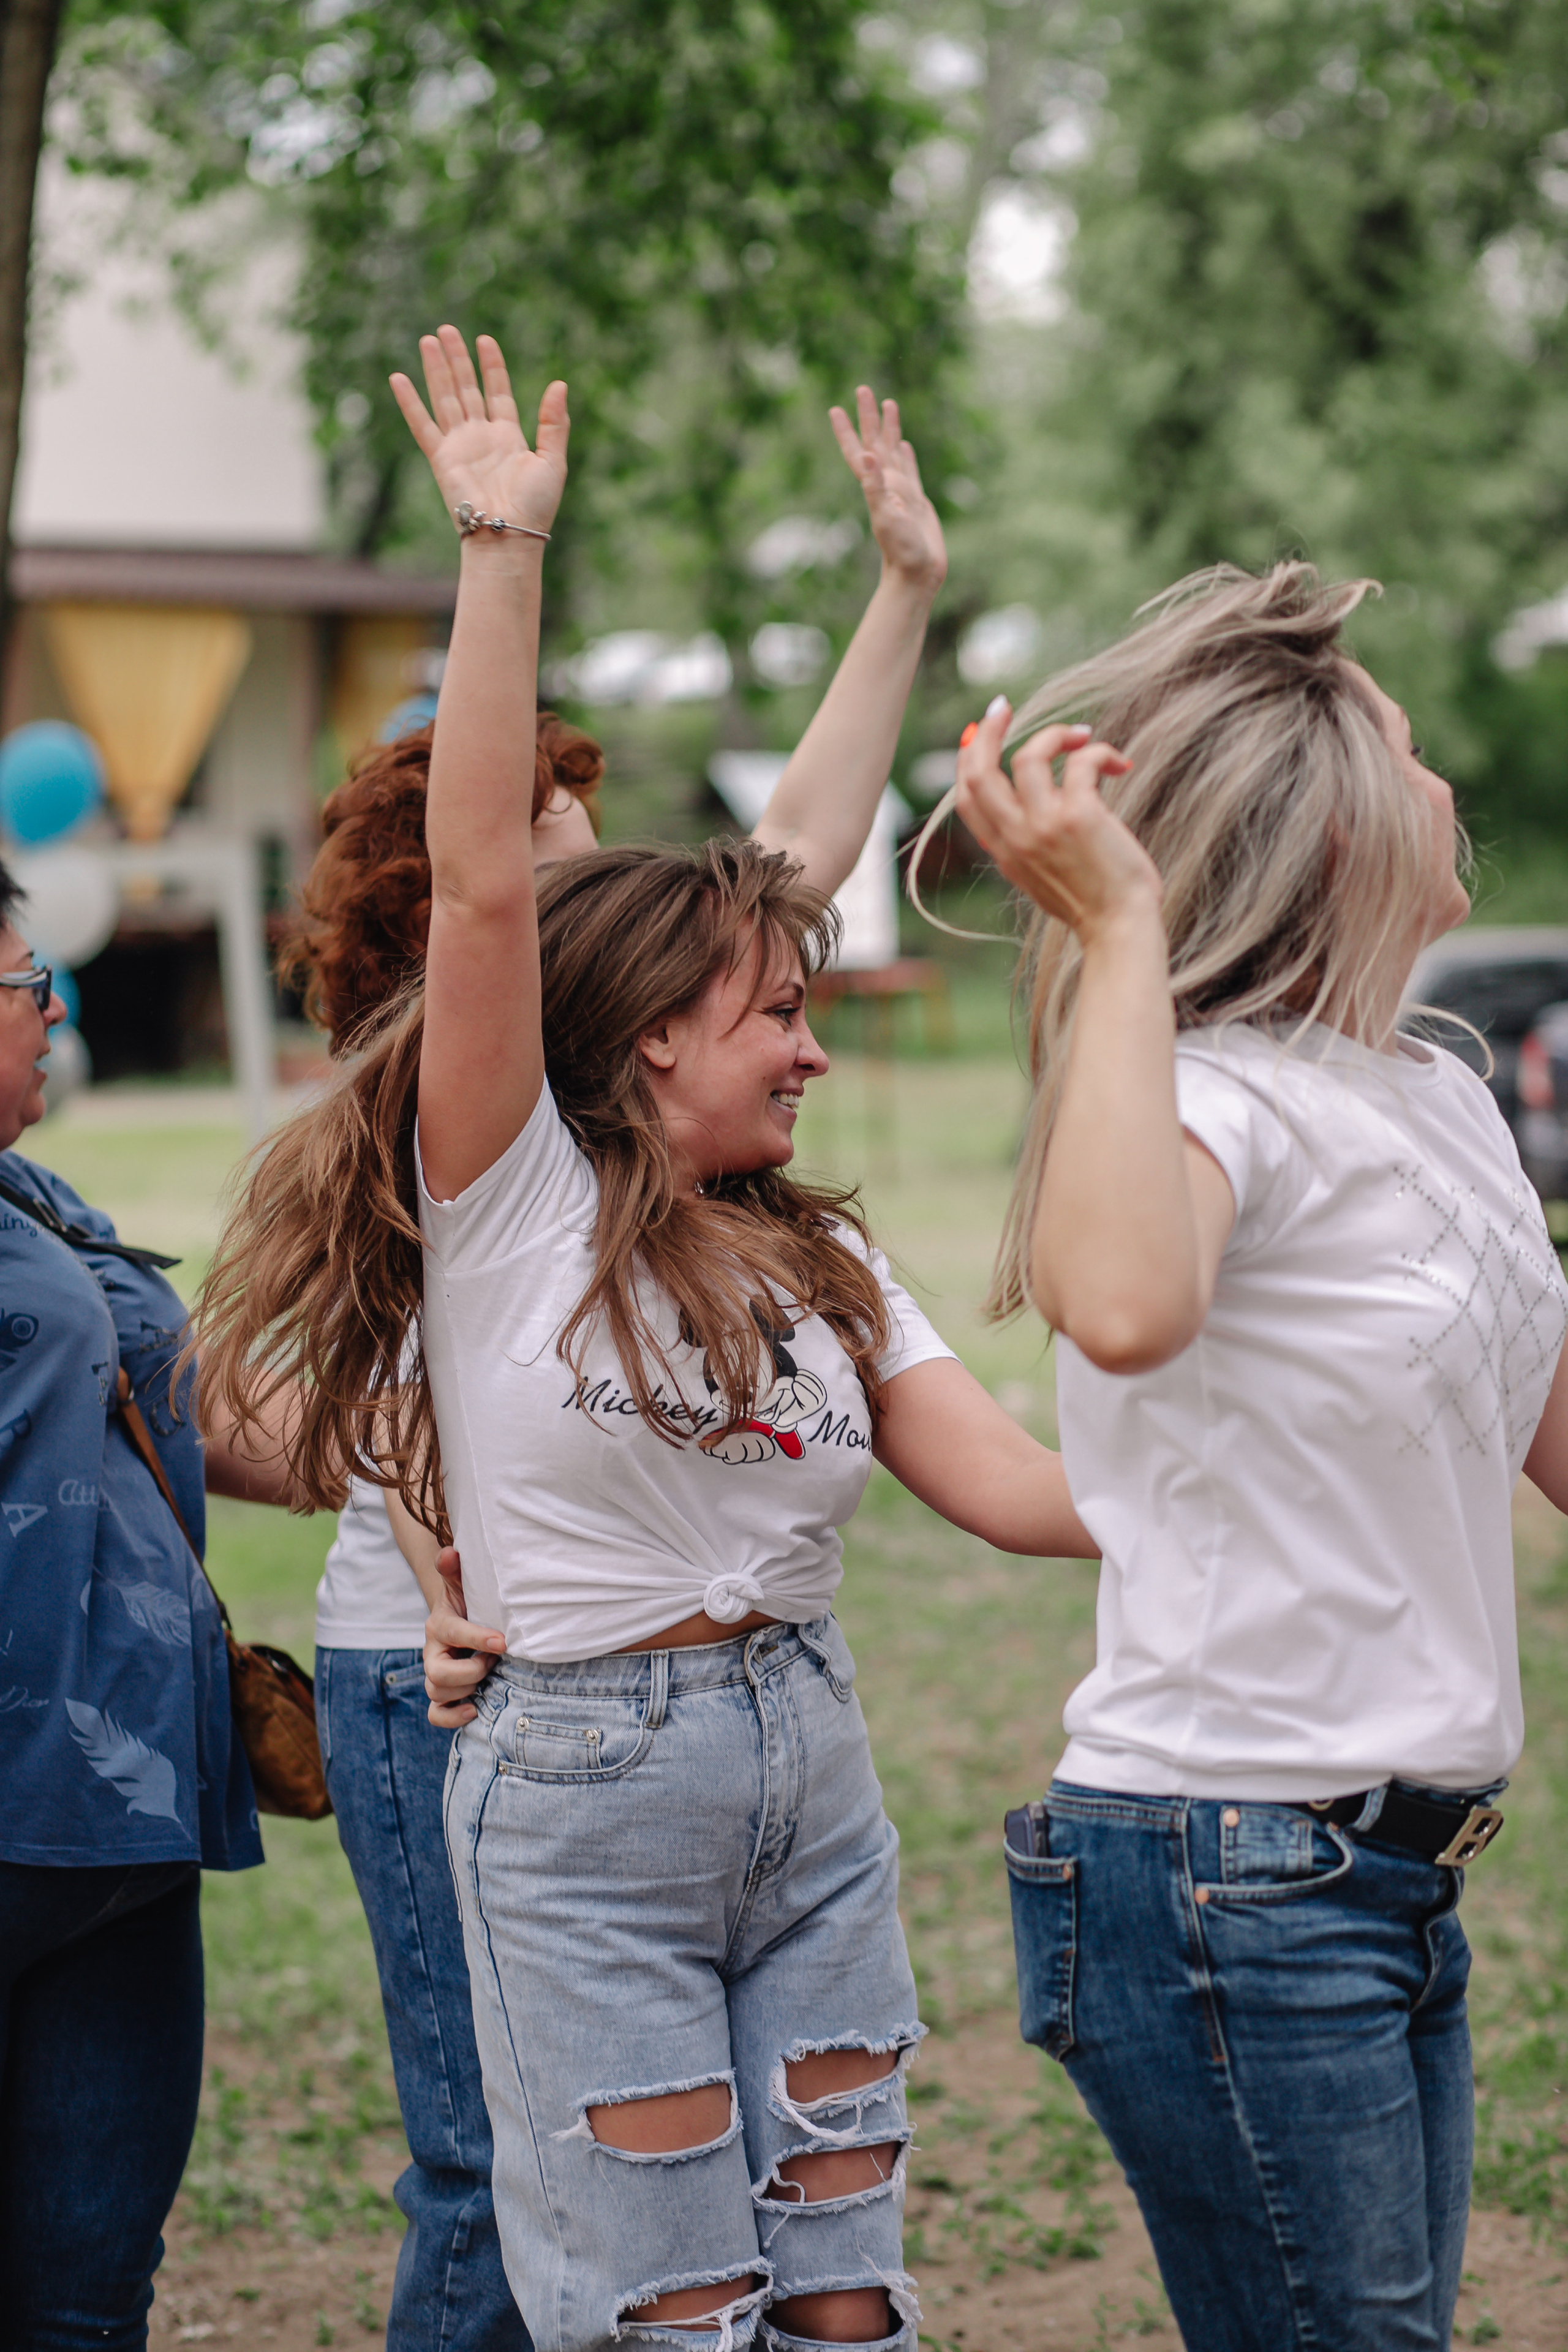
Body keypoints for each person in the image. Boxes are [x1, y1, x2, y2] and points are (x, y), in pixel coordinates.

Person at [196, 326, 1096, 2352]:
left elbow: (1024, 1489)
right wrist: (499, 555)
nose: (806, 1040)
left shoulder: (811, 1259)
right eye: (768, 1010)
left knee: (841, 2292)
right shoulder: (507, 1192)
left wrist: (907, 595)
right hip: (539, 1731)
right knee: (601, 2261)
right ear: (631, 1024)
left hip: (801, 1748)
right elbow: (494, 908)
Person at [945, 562, 1568, 2352]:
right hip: (1231, 1872)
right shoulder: (1212, 1093)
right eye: (1407, 742)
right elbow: (1122, 1309)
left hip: (1384, 1874)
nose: (1439, 775)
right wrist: (1122, 938)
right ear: (1336, 822)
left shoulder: (1435, 1091)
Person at [0, 865, 264, 2349]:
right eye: (30, 987)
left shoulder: (39, 1196)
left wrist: (413, 1480)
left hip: (121, 1823)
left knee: (88, 2298)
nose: (55, 1013)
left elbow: (172, 1412)